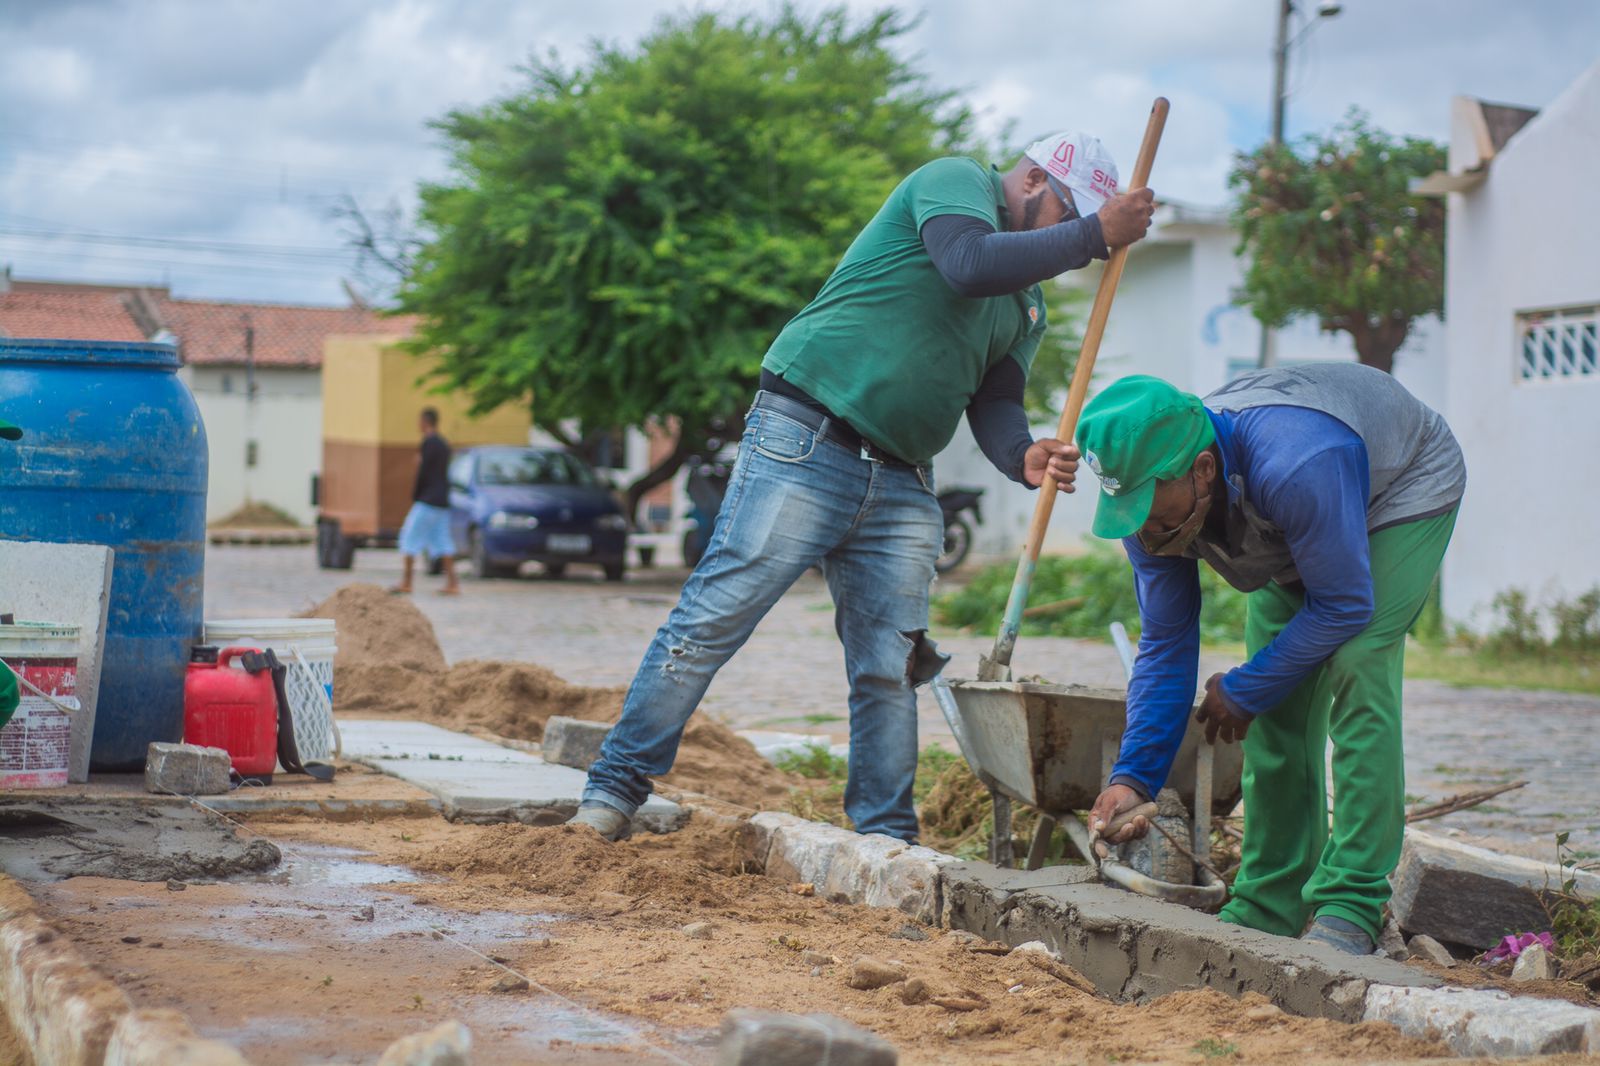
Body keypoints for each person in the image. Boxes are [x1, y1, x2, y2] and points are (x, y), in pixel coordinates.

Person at [570, 131, 1157, 842]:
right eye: (1070, 219)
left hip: (904, 480)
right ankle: (613, 790)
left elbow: (995, 398)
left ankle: (885, 837)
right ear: (1035, 180)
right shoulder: (954, 181)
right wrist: (1098, 232)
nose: (1074, 249)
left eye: (1083, 237)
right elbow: (967, 264)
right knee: (714, 618)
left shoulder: (1026, 305)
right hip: (806, 437)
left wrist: (1021, 453)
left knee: (890, 666)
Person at [1076, 365, 1466, 955]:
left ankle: (1351, 901)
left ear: (1202, 470)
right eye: (1129, 510)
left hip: (1399, 485)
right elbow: (1165, 641)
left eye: (1150, 510)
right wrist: (1134, 778)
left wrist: (1245, 687)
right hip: (1297, 515)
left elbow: (1343, 604)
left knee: (1358, 660)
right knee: (1276, 697)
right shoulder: (1148, 502)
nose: (1144, 528)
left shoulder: (1295, 463)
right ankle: (1270, 902)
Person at [391, 407, 460, 596]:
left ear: (424, 421)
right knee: (443, 541)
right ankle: (453, 583)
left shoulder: (428, 443)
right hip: (442, 500)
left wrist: (416, 494)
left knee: (409, 536)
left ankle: (406, 582)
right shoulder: (444, 444)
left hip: (428, 499)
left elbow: (423, 472)